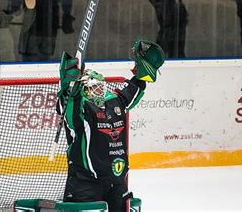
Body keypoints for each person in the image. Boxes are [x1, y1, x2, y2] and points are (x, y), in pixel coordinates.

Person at [56, 40, 165, 211]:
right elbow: (68, 105)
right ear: (83, 91)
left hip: (116, 182)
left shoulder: (114, 101)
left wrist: (142, 71)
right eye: (91, 88)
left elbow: (132, 89)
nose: (97, 91)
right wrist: (68, 84)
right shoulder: (81, 108)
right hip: (86, 183)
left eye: (99, 86)